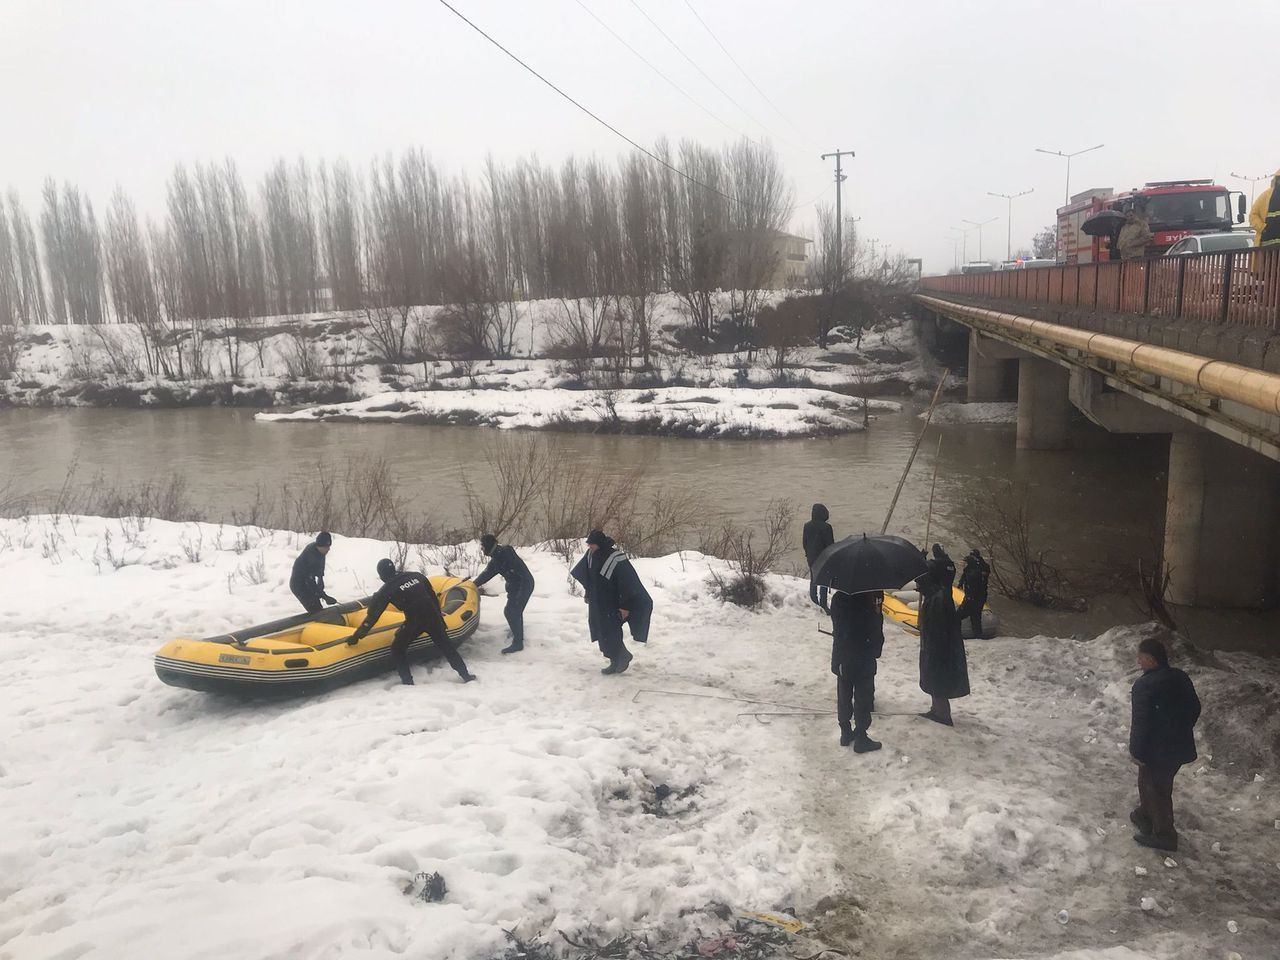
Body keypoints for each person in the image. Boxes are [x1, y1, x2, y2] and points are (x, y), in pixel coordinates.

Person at [346, 558, 476, 685]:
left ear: (381, 576)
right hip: (432, 616)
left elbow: (373, 617)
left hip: (415, 621)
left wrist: (357, 636)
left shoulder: (387, 590)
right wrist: (439, 619)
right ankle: (466, 675)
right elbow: (432, 596)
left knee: (397, 648)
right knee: (447, 647)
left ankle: (407, 682)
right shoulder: (416, 576)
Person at [1129, 636, 1201, 852]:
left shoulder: (1144, 686)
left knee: (1157, 789)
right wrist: (1179, 729)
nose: (1138, 661)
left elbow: (1140, 723)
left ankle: (1165, 835)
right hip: (1178, 746)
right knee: (1148, 781)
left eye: (1140, 657)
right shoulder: (1179, 676)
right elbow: (1194, 707)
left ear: (1151, 659)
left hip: (1157, 751)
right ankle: (1145, 815)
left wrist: (1136, 752)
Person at [570, 530, 653, 675]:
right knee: (601, 632)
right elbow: (587, 576)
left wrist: (625, 606)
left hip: (613, 602)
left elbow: (629, 583)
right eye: (589, 545)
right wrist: (588, 592)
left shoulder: (616, 557)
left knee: (611, 631)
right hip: (597, 602)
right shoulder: (590, 555)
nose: (590, 548)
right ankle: (614, 660)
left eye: (593, 545)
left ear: (600, 544)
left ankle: (621, 658)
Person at [916, 543, 970, 726]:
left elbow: (936, 628)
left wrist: (920, 560)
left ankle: (942, 714)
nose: (918, 587)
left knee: (936, 673)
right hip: (941, 641)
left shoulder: (936, 599)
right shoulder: (942, 590)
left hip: (938, 645)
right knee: (934, 673)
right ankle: (937, 709)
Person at [830, 589, 884, 753]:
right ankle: (861, 736)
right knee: (863, 696)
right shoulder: (868, 601)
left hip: (842, 655)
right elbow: (875, 630)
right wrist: (877, 612)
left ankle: (845, 732)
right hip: (863, 656)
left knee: (844, 693)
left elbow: (838, 626)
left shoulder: (838, 598)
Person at [473, 533, 535, 655]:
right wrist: (472, 585)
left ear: (489, 546)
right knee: (513, 611)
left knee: (512, 611)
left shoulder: (505, 554)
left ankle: (518, 643)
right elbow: (487, 573)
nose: (482, 549)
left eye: (483, 547)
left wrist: (519, 595)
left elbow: (521, 574)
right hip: (514, 586)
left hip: (524, 584)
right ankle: (517, 631)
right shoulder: (497, 556)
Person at [290, 531, 336, 613]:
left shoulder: (322, 553)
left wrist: (323, 594)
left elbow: (320, 576)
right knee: (315, 609)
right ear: (320, 546)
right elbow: (310, 581)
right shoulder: (311, 556)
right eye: (327, 547)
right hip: (299, 585)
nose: (329, 549)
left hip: (309, 581)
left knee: (318, 607)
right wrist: (323, 596)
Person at [802, 503, 835, 612]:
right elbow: (830, 544)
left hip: (811, 557)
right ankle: (823, 604)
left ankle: (814, 599)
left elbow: (804, 542)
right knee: (824, 580)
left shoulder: (807, 526)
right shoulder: (826, 527)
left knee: (814, 578)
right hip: (823, 557)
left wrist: (808, 553)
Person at [956, 549, 991, 638]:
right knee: (975, 617)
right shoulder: (970, 568)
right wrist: (960, 583)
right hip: (976, 597)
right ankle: (977, 635)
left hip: (973, 597)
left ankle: (955, 634)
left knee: (958, 616)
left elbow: (976, 578)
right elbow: (965, 575)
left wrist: (973, 563)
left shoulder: (981, 568)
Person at [1247, 168, 1280, 247]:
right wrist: (1263, 228)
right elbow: (1253, 215)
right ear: (1277, 180)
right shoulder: (1266, 196)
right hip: (1266, 251)